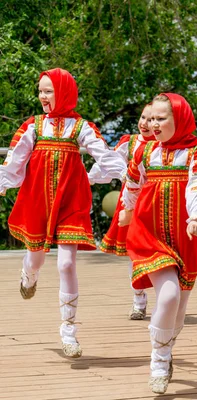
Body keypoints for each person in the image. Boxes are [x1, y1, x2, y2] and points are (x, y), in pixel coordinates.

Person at [1, 68, 126, 358]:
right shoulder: (33, 126)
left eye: (49, 91)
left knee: (67, 264)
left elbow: (103, 153)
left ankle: (68, 331)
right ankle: (28, 275)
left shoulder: (81, 127)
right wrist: (3, 181)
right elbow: (15, 157)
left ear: (64, 93)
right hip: (38, 201)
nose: (42, 96)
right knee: (36, 259)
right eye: (41, 90)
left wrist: (126, 174)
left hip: (71, 201)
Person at [118, 93, 197, 394]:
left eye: (162, 118)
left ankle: (167, 349)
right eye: (151, 118)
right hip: (150, 232)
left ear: (180, 120)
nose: (154, 124)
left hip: (188, 234)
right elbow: (133, 182)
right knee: (170, 295)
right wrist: (127, 206)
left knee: (180, 305)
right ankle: (158, 361)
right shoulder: (146, 151)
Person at [89, 104, 154, 320]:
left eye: (152, 119)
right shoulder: (131, 143)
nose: (145, 123)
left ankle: (167, 297)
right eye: (143, 117)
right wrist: (87, 178)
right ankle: (139, 300)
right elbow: (107, 165)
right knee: (133, 253)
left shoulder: (168, 149)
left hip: (157, 204)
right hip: (132, 204)